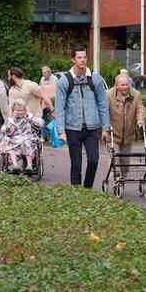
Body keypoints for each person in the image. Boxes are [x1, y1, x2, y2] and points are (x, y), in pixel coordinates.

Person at [55, 49, 110, 188]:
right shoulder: (65, 81)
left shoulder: (95, 79)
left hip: (92, 128)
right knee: (76, 163)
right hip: (72, 128)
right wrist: (61, 131)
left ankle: (87, 188)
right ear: (73, 59)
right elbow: (60, 107)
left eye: (84, 57)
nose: (83, 60)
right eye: (79, 57)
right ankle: (76, 192)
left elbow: (103, 104)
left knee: (93, 160)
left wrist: (106, 128)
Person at [107, 73, 146, 179]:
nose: (125, 87)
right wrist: (105, 128)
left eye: (127, 84)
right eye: (122, 85)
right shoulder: (109, 95)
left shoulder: (136, 94)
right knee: (115, 158)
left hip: (128, 134)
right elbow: (104, 112)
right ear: (117, 86)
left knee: (125, 161)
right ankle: (116, 178)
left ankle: (123, 180)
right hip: (112, 134)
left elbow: (140, 108)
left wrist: (140, 120)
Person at [0, 99, 44, 173]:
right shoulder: (10, 120)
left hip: (27, 138)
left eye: (22, 110)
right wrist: (7, 128)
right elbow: (3, 129)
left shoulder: (29, 118)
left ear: (25, 110)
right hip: (14, 139)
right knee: (10, 146)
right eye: (17, 111)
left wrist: (29, 117)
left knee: (28, 144)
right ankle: (15, 165)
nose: (20, 112)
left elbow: (40, 123)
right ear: (13, 111)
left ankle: (29, 165)